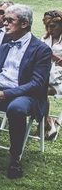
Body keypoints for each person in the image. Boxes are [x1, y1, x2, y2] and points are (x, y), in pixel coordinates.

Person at [0, 4, 52, 179]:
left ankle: (15, 157)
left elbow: (37, 83)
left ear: (24, 23)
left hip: (27, 95)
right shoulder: (4, 45)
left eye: (10, 20)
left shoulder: (41, 49)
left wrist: (7, 94)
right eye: (4, 20)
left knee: (16, 109)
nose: (4, 24)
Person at [42, 10, 62, 139]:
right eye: (48, 26)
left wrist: (54, 56)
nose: (50, 29)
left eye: (53, 26)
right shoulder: (45, 38)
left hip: (59, 79)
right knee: (36, 90)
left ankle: (48, 123)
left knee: (40, 91)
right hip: (45, 75)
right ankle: (48, 121)